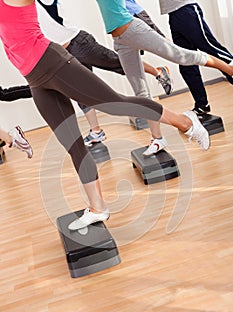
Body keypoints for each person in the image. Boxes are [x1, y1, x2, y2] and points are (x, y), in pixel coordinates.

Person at [0, 0, 209, 230]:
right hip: (35, 79)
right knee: (72, 144)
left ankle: (187, 122)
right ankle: (98, 207)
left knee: (116, 104)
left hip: (54, 63)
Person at [95, 0, 233, 156]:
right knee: (141, 93)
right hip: (120, 40)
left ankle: (228, 68)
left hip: (134, 29)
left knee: (181, 56)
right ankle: (157, 138)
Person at [36, 0, 172, 148]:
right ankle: (96, 131)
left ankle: (158, 71)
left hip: (79, 44)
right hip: (63, 52)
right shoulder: (24, 9)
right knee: (80, 91)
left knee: (117, 63)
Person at [159, 0, 233, 115]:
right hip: (173, 14)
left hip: (185, 9)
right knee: (185, 61)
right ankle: (202, 104)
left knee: (212, 49)